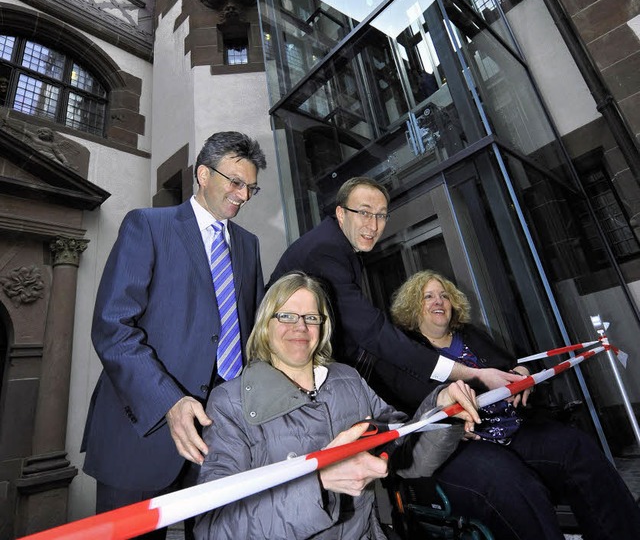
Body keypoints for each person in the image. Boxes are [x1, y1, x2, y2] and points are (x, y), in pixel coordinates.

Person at [194, 272, 480, 540]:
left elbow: (408, 456)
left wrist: (440, 408)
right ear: (266, 324)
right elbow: (214, 526)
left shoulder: (348, 380)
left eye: (311, 317)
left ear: (324, 325)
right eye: (286, 316)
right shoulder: (230, 403)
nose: (300, 327)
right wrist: (317, 483)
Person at [82, 131, 267, 540]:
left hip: (220, 437)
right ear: (203, 173)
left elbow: (250, 335)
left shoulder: (248, 246)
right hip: (140, 433)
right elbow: (112, 327)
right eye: (235, 182)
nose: (244, 196)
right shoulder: (147, 225)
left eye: (250, 187)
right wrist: (169, 401)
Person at [388, 269, 640, 540]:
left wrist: (522, 372)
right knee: (513, 485)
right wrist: (452, 424)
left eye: (444, 295)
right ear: (413, 306)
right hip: (459, 447)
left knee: (576, 447)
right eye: (428, 296)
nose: (439, 301)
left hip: (510, 429)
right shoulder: (407, 352)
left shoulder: (471, 335)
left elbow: (511, 368)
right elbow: (412, 409)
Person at [270, 176, 522, 408]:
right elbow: (372, 333)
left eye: (381, 216)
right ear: (341, 213)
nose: (374, 225)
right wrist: (472, 375)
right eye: (364, 213)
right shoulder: (327, 250)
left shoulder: (339, 245)